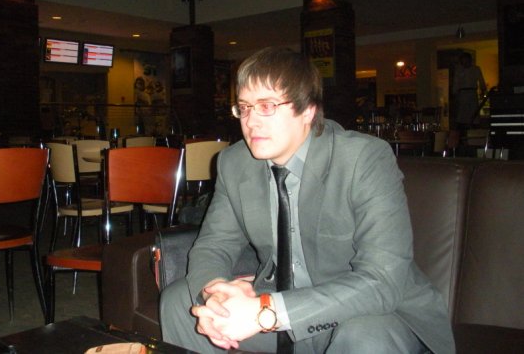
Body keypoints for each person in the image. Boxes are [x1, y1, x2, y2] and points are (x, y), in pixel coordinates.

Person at [160, 47, 454, 353]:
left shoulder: (363, 159)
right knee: (181, 304)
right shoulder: (234, 163)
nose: (251, 121)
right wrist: (215, 296)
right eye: (244, 108)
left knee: (365, 337)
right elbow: (213, 245)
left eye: (267, 106)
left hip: (367, 311)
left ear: (308, 111)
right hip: (278, 305)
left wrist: (267, 311)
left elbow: (382, 280)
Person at [453, 52, 487, 130]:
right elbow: (456, 82)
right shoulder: (459, 70)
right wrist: (455, 94)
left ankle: (474, 127)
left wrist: (483, 90)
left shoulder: (476, 69)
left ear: (470, 60)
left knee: (473, 112)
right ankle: (463, 128)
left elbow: (481, 80)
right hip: (462, 93)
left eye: (466, 60)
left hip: (472, 93)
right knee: (462, 113)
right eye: (463, 61)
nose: (465, 63)